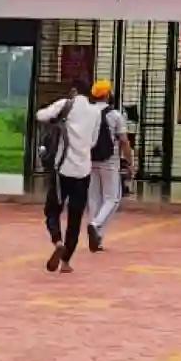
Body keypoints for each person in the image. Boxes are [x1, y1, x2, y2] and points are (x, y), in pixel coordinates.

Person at [35, 82, 100, 273]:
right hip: (83, 171)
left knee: (52, 210)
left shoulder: (66, 104)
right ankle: (66, 262)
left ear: (74, 91)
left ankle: (57, 241)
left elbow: (41, 116)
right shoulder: (96, 112)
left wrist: (58, 119)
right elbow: (93, 141)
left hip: (62, 169)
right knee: (75, 217)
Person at [85, 80, 132, 253]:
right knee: (112, 198)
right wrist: (130, 162)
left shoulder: (88, 113)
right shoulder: (115, 115)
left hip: (90, 160)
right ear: (107, 95)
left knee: (94, 198)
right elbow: (124, 141)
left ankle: (97, 239)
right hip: (109, 161)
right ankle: (95, 225)